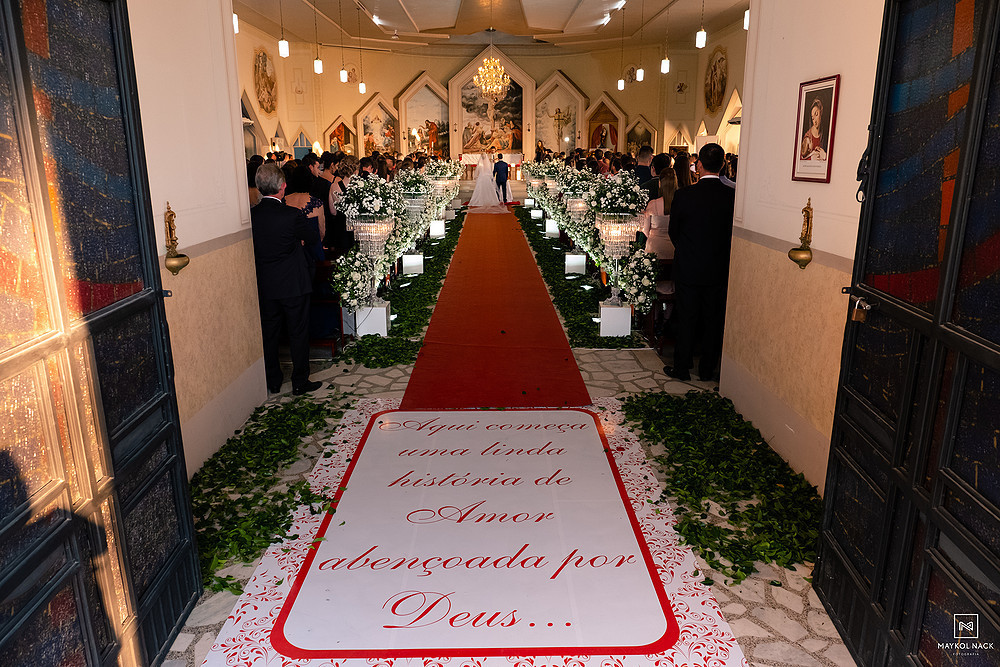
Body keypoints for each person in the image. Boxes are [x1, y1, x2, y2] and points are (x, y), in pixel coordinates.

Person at [664, 143, 735, 383]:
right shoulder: (731, 196)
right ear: (722, 165)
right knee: (713, 320)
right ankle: (706, 370)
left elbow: (674, 231)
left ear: (700, 165)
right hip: (718, 268)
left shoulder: (684, 195)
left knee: (687, 317)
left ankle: (682, 367)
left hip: (689, 266)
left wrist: (686, 250)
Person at [250, 164, 322, 396]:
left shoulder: (251, 216)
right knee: (298, 332)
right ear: (282, 187)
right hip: (293, 283)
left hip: (266, 284)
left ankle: (273, 381)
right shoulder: (291, 215)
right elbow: (312, 237)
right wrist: (297, 241)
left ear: (260, 188)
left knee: (269, 333)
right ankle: (299, 381)